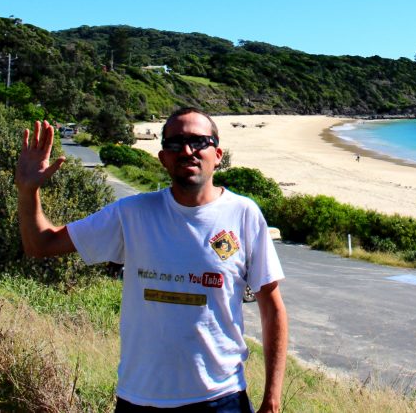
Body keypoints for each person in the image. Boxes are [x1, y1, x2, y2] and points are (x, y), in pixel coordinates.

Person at [15, 108, 287, 412]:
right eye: (175, 143)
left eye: (199, 142)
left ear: (218, 154)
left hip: (221, 398)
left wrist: (272, 400)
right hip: (140, 399)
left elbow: (272, 308)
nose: (187, 150)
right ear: (162, 158)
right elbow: (40, 244)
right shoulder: (132, 214)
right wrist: (28, 191)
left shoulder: (244, 214)